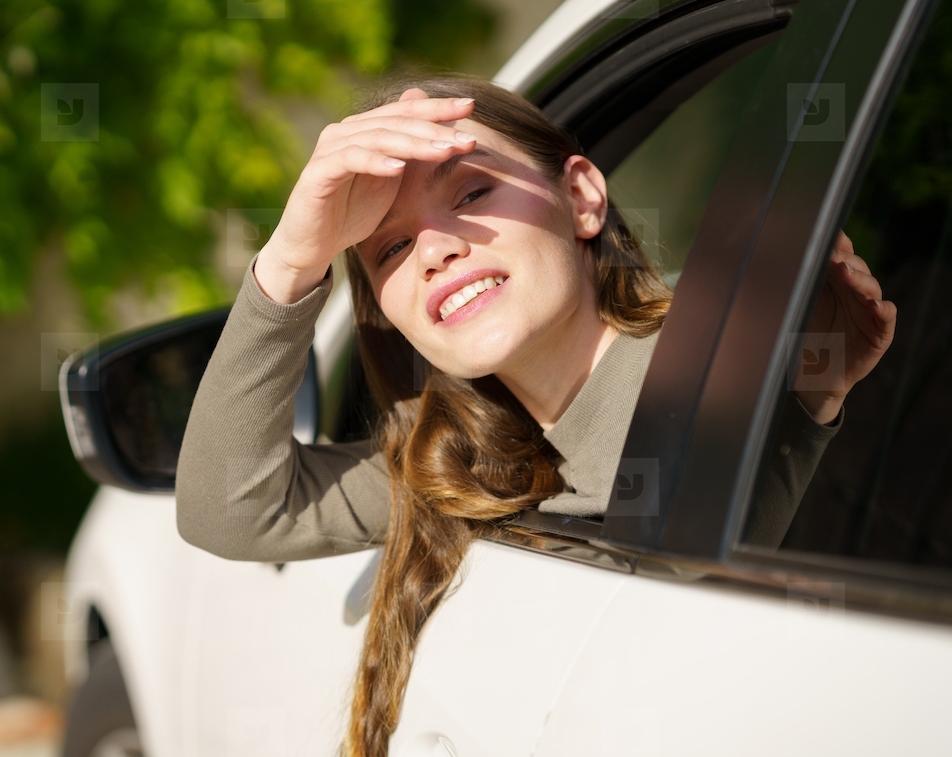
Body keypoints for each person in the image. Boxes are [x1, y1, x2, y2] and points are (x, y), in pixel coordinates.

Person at [175, 72, 897, 757]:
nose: (434, 248)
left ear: (583, 195)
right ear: (387, 312)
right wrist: (293, 255)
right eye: (390, 246)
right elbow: (232, 506)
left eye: (472, 192)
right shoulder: (457, 463)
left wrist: (801, 396)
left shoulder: (727, 357)